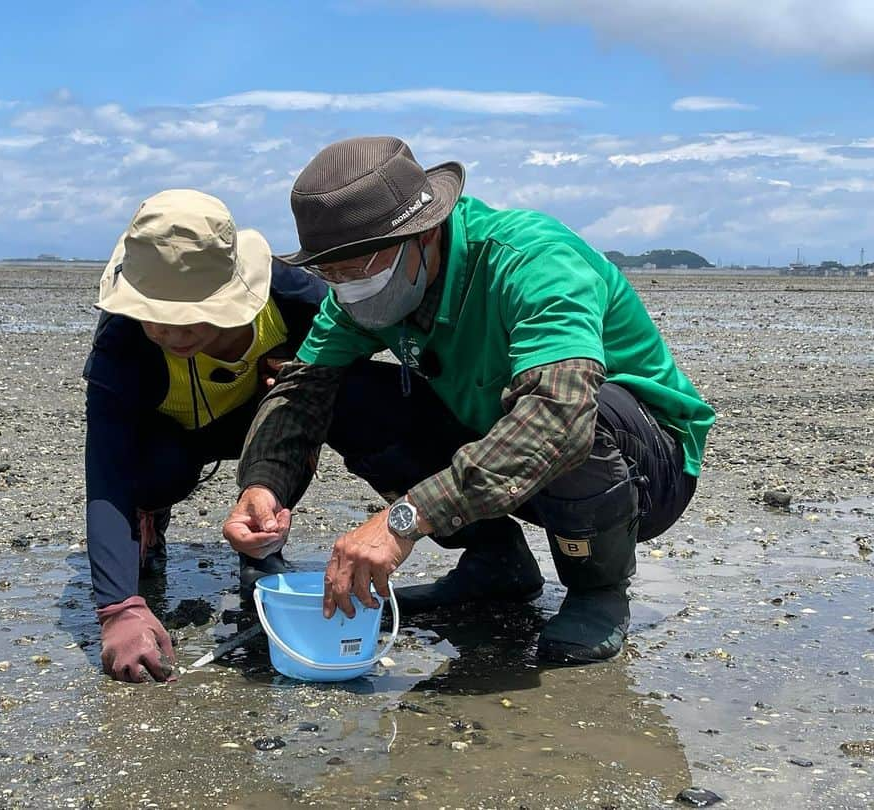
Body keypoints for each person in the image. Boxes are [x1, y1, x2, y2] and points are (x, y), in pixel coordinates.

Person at [223, 136, 716, 665]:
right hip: (499, 447)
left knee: (569, 411)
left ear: (425, 232)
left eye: (361, 266)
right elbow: (302, 390)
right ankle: (495, 561)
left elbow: (560, 418)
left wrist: (404, 519)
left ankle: (598, 588)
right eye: (331, 272)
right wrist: (264, 485)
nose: (348, 287)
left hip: (643, 468)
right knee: (350, 394)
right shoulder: (356, 298)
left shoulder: (532, 261)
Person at [84, 189, 329, 682]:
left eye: (196, 314)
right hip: (168, 437)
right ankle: (148, 522)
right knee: (153, 472)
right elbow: (106, 471)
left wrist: (306, 369)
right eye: (158, 317)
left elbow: (360, 334)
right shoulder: (122, 341)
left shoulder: (288, 295)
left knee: (311, 408)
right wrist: (118, 607)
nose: (176, 335)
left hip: (257, 423)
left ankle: (262, 544)